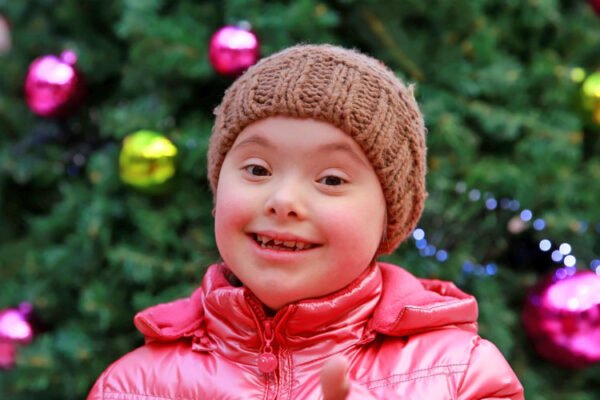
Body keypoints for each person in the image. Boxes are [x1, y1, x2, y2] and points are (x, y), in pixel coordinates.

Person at [87, 44, 524, 399]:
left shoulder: (461, 374)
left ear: (389, 218)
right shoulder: (132, 386)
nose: (283, 201)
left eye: (331, 179)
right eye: (257, 169)